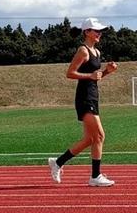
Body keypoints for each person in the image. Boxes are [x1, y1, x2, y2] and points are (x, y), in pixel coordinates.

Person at [48, 17, 118, 187]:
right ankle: (95, 176)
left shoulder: (97, 52)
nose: (99, 34)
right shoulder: (83, 51)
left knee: (89, 139)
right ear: (87, 32)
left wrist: (107, 71)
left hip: (93, 95)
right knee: (100, 135)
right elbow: (70, 73)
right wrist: (90, 76)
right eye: (96, 31)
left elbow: (95, 77)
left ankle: (57, 162)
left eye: (100, 31)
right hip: (84, 97)